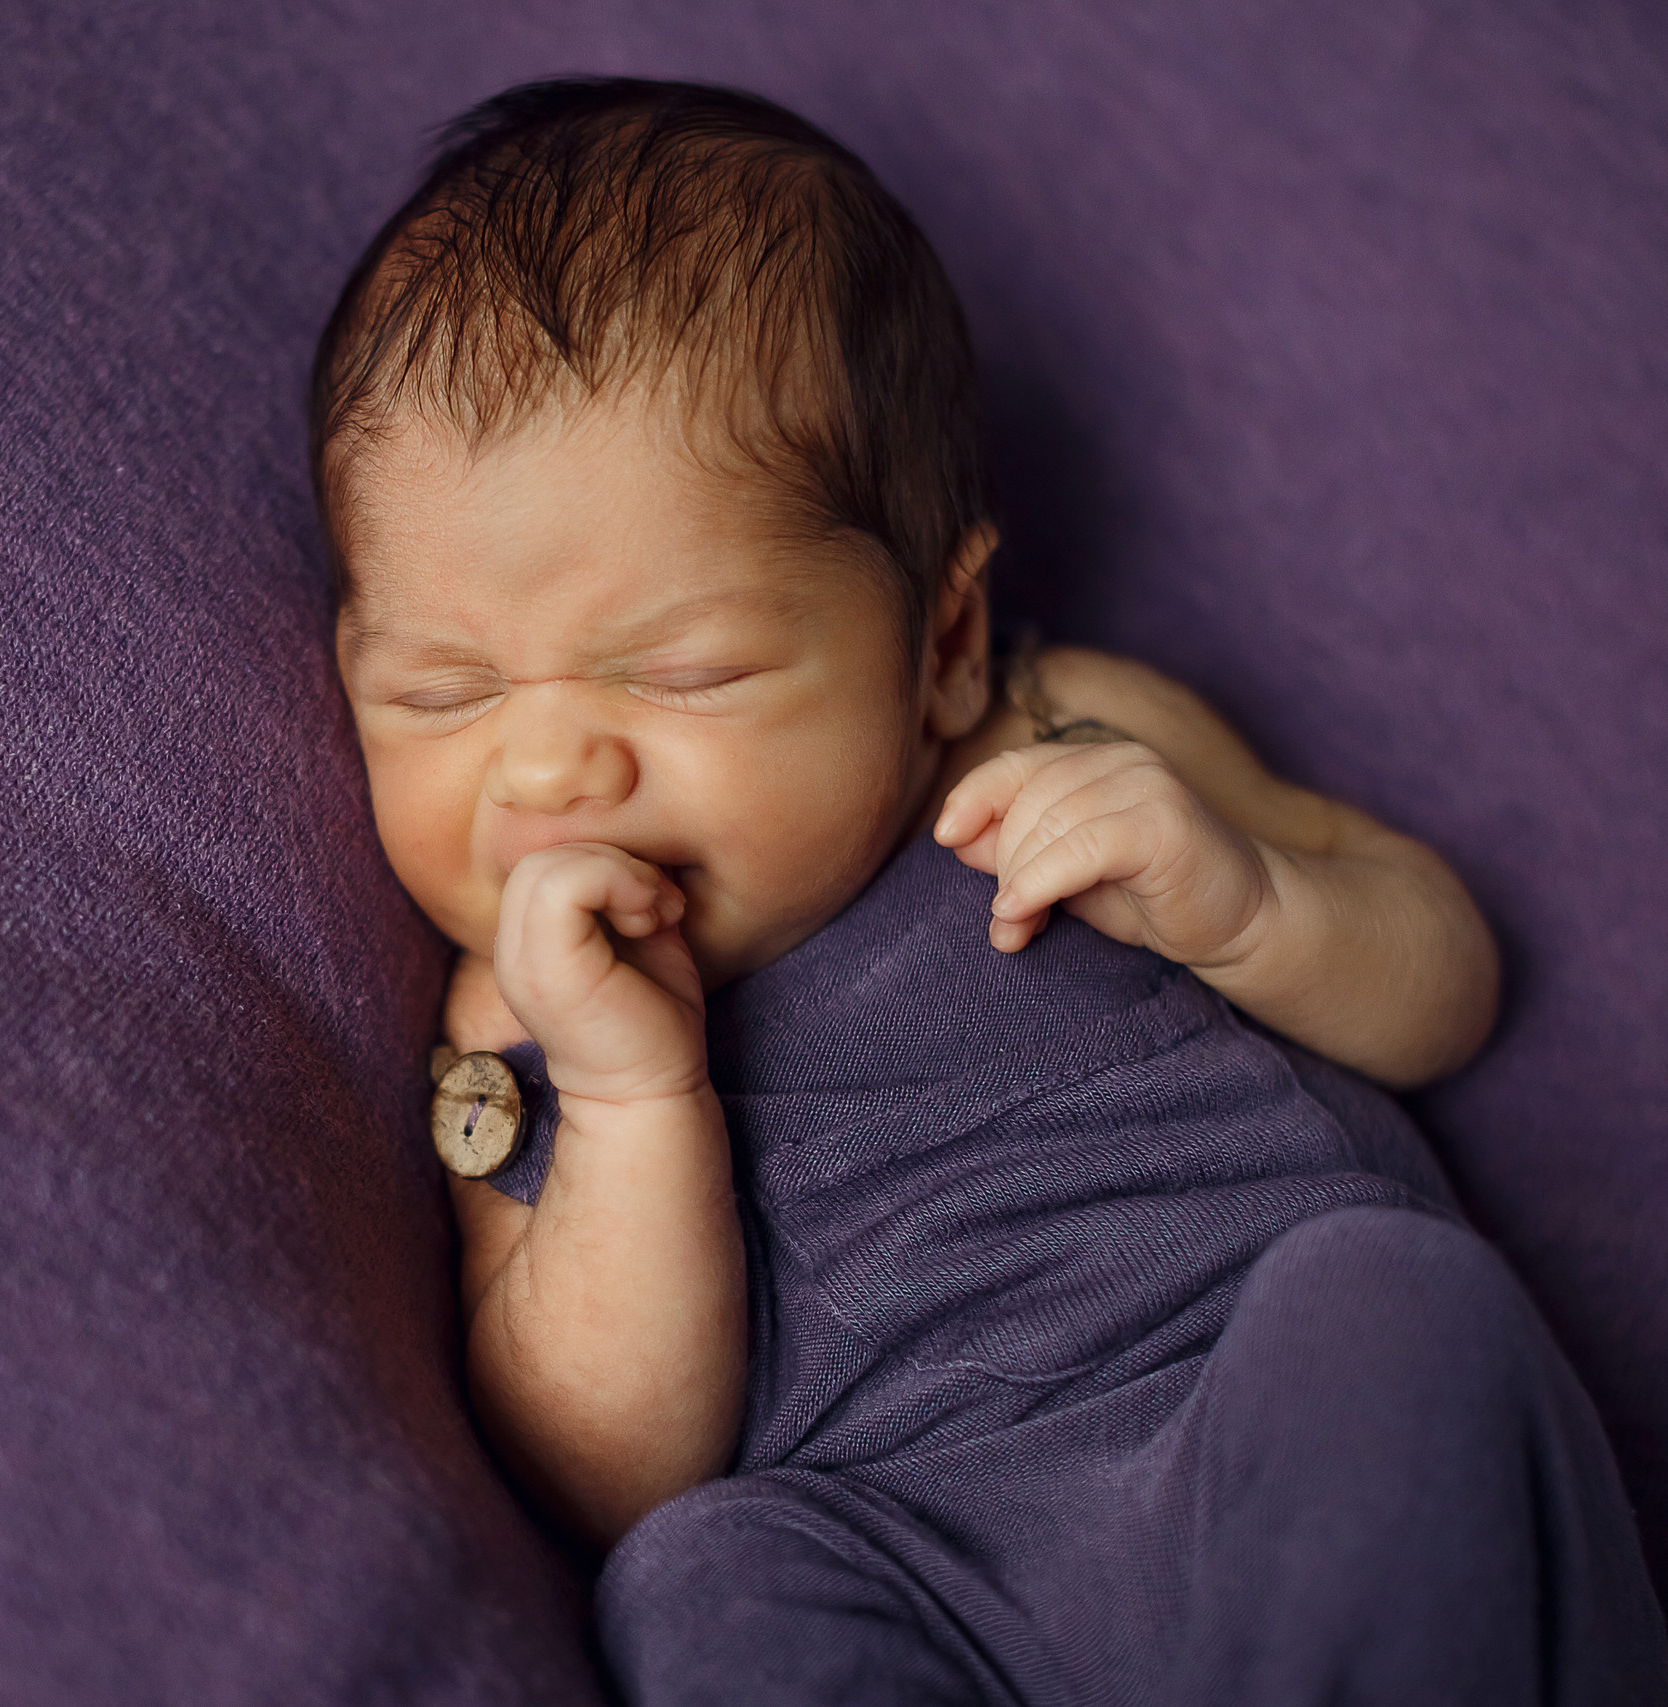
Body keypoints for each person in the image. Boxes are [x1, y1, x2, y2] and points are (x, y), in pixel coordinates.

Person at [312, 76, 1666, 1702]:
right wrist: (630, 1096)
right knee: (702, 1572)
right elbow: (615, 1481)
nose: (545, 775)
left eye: (681, 673)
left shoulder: (1067, 728)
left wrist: (1249, 912)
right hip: (924, 1563)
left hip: (1253, 1432)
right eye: (444, 694)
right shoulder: (512, 1013)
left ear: (942, 645)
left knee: (1389, 1308)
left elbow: (1449, 981)